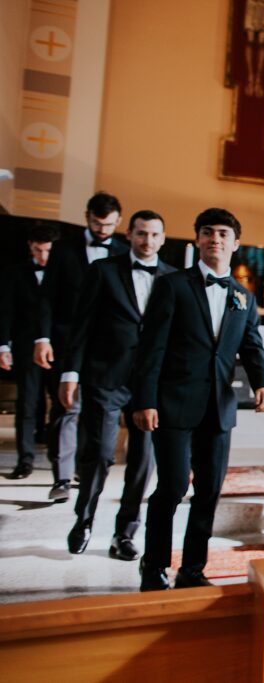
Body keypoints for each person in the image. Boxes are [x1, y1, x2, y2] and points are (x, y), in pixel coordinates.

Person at [133, 208, 264, 591]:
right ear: (197, 239)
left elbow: (252, 345)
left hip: (218, 408)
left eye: (224, 233)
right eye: (208, 232)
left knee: (209, 491)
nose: (216, 239)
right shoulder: (173, 285)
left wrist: (263, 383)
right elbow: (151, 347)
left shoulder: (243, 297)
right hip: (173, 403)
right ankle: (154, 565)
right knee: (174, 486)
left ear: (236, 243)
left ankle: (192, 569)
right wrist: (145, 400)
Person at [59, 210, 176, 559]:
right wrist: (70, 373)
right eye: (141, 234)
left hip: (151, 384)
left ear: (163, 238)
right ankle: (84, 519)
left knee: (143, 461)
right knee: (99, 453)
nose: (148, 241)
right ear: (129, 234)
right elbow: (81, 326)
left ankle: (125, 534)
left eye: (155, 235)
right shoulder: (103, 271)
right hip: (106, 376)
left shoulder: (173, 279)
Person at [34, 192, 129, 501]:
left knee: (96, 409)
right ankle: (61, 479)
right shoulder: (63, 250)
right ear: (87, 216)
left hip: (107, 347)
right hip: (68, 339)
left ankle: (82, 467)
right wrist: (43, 338)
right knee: (67, 407)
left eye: (109, 225)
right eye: (97, 224)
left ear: (119, 221)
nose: (103, 230)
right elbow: (47, 297)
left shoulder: (124, 251)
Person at [0, 224, 59, 480]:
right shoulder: (14, 274)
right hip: (25, 348)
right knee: (27, 404)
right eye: (38, 250)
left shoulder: (63, 274)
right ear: (30, 246)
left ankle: (63, 466)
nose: (43, 257)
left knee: (61, 407)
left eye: (47, 251)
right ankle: (25, 461)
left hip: (59, 349)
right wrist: (3, 345)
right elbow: (4, 312)